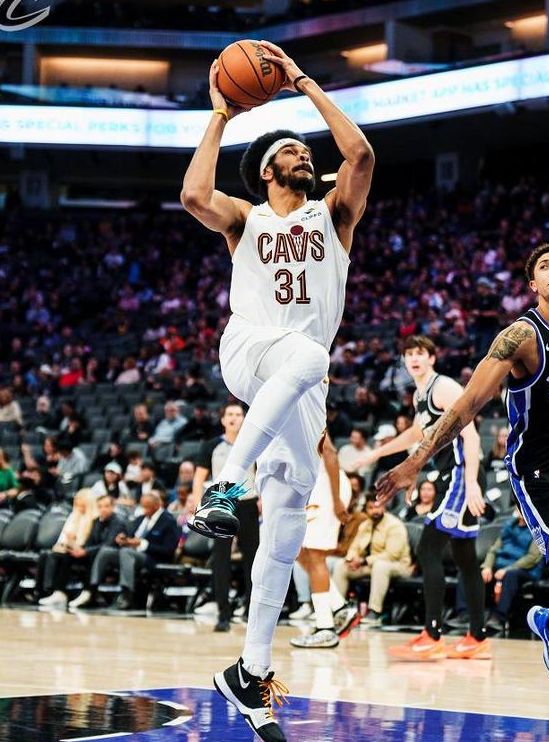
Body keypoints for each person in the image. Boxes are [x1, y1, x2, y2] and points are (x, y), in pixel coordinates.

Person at [181, 39, 373, 741]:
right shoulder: (246, 217)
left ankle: (249, 670)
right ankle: (226, 486)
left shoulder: (334, 215)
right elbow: (192, 196)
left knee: (289, 516)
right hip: (251, 351)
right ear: (267, 170)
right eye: (291, 149)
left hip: (301, 384)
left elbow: (360, 155)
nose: (303, 154)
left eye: (303, 148)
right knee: (307, 352)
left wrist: (303, 84)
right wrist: (220, 115)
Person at [377, 243, 549, 741]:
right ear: (532, 285)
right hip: (541, 475)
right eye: (544, 267)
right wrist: (414, 462)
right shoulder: (520, 336)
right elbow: (468, 403)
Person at [359, 335, 490, 661]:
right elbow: (417, 434)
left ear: (432, 358)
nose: (414, 359)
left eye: (420, 353)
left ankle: (432, 635)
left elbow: (472, 435)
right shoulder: (421, 394)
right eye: (409, 354)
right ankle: (477, 637)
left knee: (428, 547)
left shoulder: (443, 387)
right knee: (464, 557)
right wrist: (376, 453)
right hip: (450, 475)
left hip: (461, 474)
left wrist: (471, 483)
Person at [192, 403, 258, 632]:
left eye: (238, 414)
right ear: (222, 420)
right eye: (230, 414)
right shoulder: (211, 445)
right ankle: (223, 614)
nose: (234, 418)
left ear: (244, 419)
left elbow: (262, 473)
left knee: (252, 559)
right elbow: (199, 478)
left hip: (248, 503)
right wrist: (199, 505)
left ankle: (252, 611)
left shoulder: (254, 442)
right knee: (221, 560)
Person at [290, 434, 359, 648]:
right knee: (298, 551)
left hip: (328, 485)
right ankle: (339, 607)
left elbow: (329, 452)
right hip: (316, 486)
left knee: (315, 554)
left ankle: (325, 628)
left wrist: (337, 500)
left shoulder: (307, 412)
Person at [88, 491, 179, 610]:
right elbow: (129, 535)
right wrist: (123, 539)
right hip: (131, 554)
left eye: (147, 507)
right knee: (106, 552)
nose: (144, 510)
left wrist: (143, 544)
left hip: (152, 558)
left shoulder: (168, 521)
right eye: (142, 507)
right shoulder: (140, 519)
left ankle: (126, 594)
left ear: (157, 506)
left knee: (126, 552)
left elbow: (169, 550)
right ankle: (92, 590)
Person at [331, 492, 411, 626]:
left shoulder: (394, 525)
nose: (375, 511)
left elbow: (392, 555)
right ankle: (337, 610)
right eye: (371, 508)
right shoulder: (365, 525)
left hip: (398, 566)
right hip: (371, 565)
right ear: (366, 509)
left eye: (378, 507)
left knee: (380, 566)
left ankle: (374, 612)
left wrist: (364, 561)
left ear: (384, 507)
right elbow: (354, 548)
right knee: (341, 565)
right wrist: (351, 559)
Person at [481, 508, 544, 633]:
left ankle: (499, 618)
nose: (519, 510)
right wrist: (487, 567)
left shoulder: (537, 530)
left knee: (510, 575)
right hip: (502, 566)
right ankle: (466, 615)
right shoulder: (508, 526)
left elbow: (532, 558)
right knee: (475, 573)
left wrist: (507, 569)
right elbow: (493, 550)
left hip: (526, 570)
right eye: (517, 507)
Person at [38, 489, 99, 609]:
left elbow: (86, 542)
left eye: (82, 505)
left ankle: (59, 591)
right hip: (69, 547)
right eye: (77, 504)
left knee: (65, 556)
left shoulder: (94, 519)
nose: (79, 507)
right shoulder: (73, 515)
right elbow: (64, 536)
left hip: (84, 551)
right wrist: (61, 544)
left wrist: (71, 543)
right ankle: (41, 592)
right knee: (45, 554)